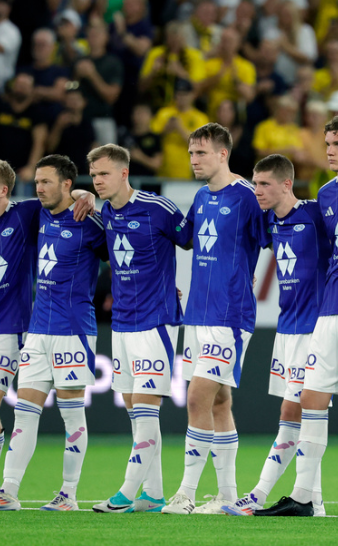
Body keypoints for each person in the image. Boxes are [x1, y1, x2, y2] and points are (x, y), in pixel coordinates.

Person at [0, 159, 94, 510]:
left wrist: (85, 193)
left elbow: (61, 197)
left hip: (11, 329)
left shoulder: (24, 215)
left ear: (4, 190)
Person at [254, 112, 338, 518]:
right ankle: (305, 497)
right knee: (310, 397)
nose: (330, 150)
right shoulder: (324, 195)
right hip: (329, 310)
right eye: (327, 143)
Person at [0, 155, 107, 511]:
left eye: (46, 181)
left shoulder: (90, 225)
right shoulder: (35, 214)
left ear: (65, 184)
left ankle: (69, 494)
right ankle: (10, 492)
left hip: (74, 330)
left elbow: (122, 262)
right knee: (25, 412)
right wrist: (85, 192)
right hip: (38, 330)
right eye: (37, 181)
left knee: (71, 414)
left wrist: (89, 198)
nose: (39, 188)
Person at [161, 123, 269, 515]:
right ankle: (227, 496)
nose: (193, 160)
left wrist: (246, 271)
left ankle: (186, 493)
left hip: (229, 315)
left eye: (201, 153)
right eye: (191, 153)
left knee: (197, 398)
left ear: (223, 154)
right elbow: (182, 237)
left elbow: (275, 235)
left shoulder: (246, 196)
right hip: (198, 314)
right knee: (220, 401)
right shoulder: (202, 197)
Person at [220, 154, 332, 517]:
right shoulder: (269, 221)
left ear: (287, 184)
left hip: (316, 329)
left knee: (293, 412)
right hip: (287, 328)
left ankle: (257, 494)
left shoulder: (315, 215)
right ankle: (313, 498)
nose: (258, 191)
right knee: (296, 414)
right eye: (255, 183)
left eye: (265, 184)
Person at [88, 144, 191, 513]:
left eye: (103, 174)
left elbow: (191, 240)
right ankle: (153, 493)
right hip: (122, 324)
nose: (98, 181)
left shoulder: (158, 208)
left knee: (147, 407)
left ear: (123, 173)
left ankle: (126, 493)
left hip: (156, 321)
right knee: (136, 409)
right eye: (94, 176)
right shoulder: (106, 212)